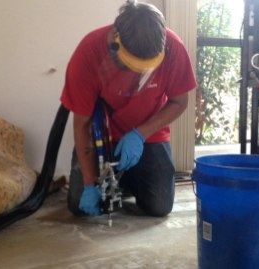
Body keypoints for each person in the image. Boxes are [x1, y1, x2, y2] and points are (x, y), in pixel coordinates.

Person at [60, 0, 197, 217]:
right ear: (116, 39)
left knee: (159, 206)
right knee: (78, 205)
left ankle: (126, 179)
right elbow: (81, 124)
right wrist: (88, 183)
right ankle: (121, 180)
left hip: (148, 135)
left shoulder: (174, 48)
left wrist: (140, 134)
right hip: (102, 137)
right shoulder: (89, 53)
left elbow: (180, 102)